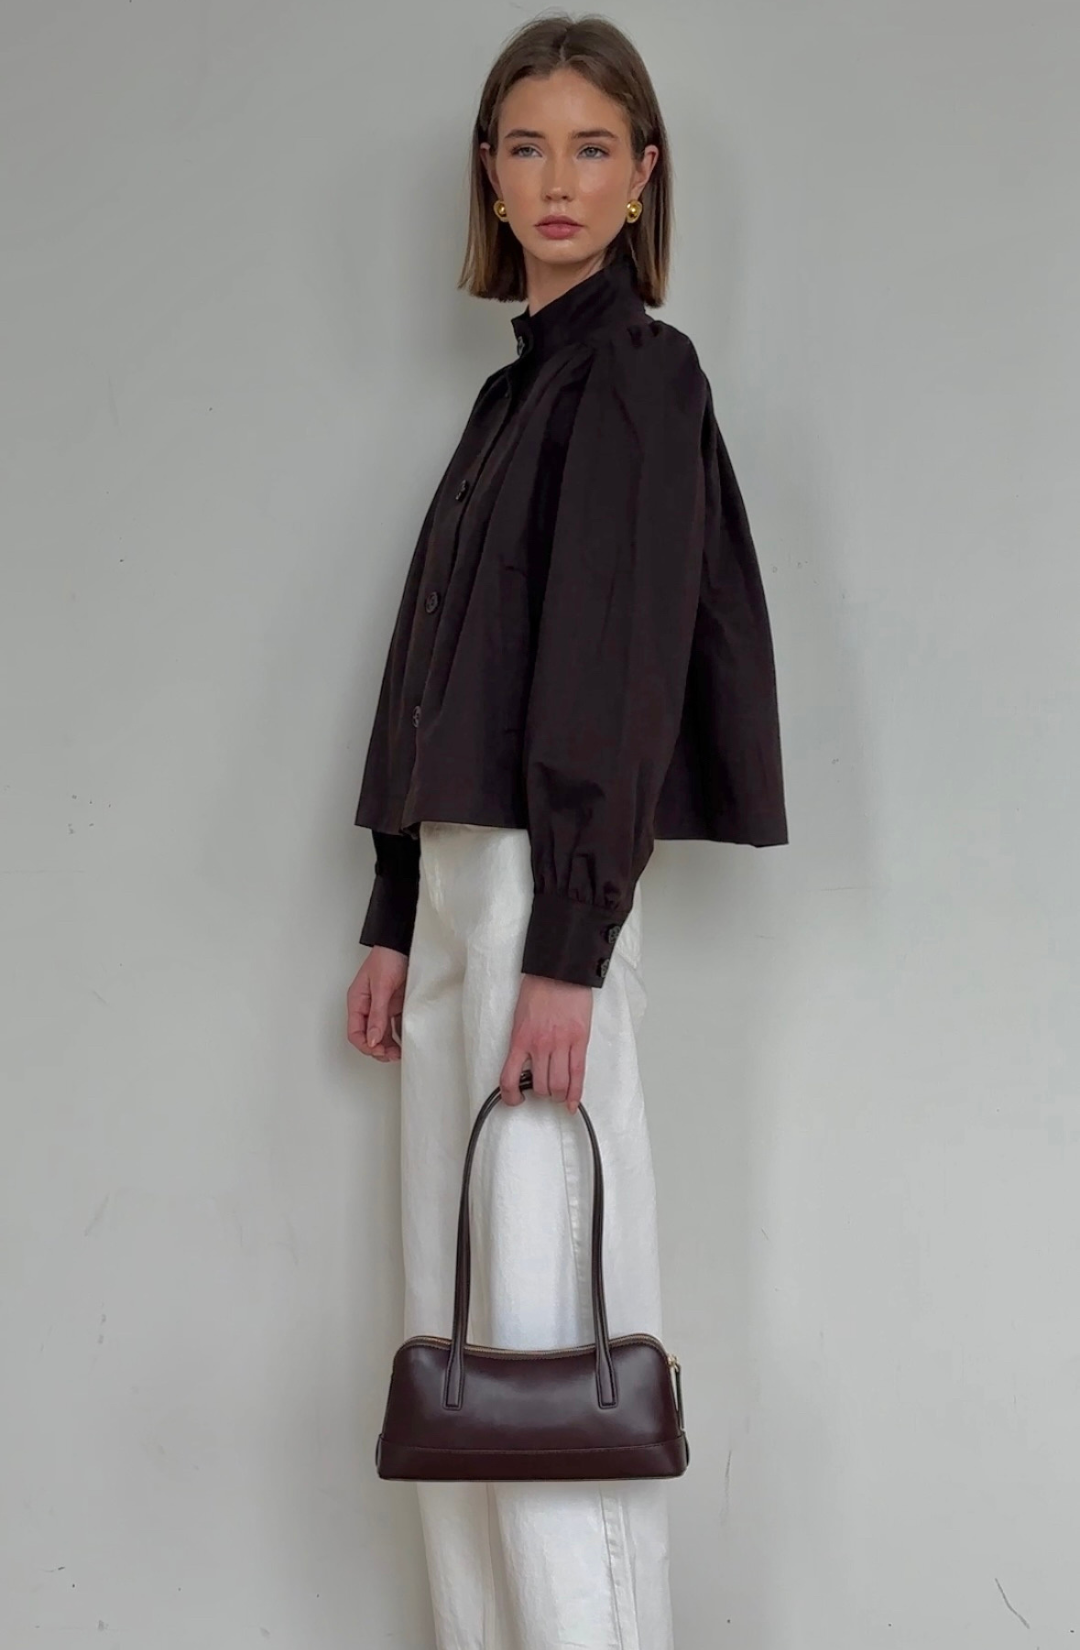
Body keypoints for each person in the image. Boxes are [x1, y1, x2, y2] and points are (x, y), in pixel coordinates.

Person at [345, 13, 787, 1649]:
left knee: (544, 1327)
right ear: (488, 172)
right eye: (526, 145)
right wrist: (395, 901)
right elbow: (439, 666)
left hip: (547, 887)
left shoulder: (640, 378)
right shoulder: (509, 398)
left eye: (592, 148)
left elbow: (616, 670)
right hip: (466, 888)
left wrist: (570, 946)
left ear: (643, 177)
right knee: (453, 1339)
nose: (557, 179)